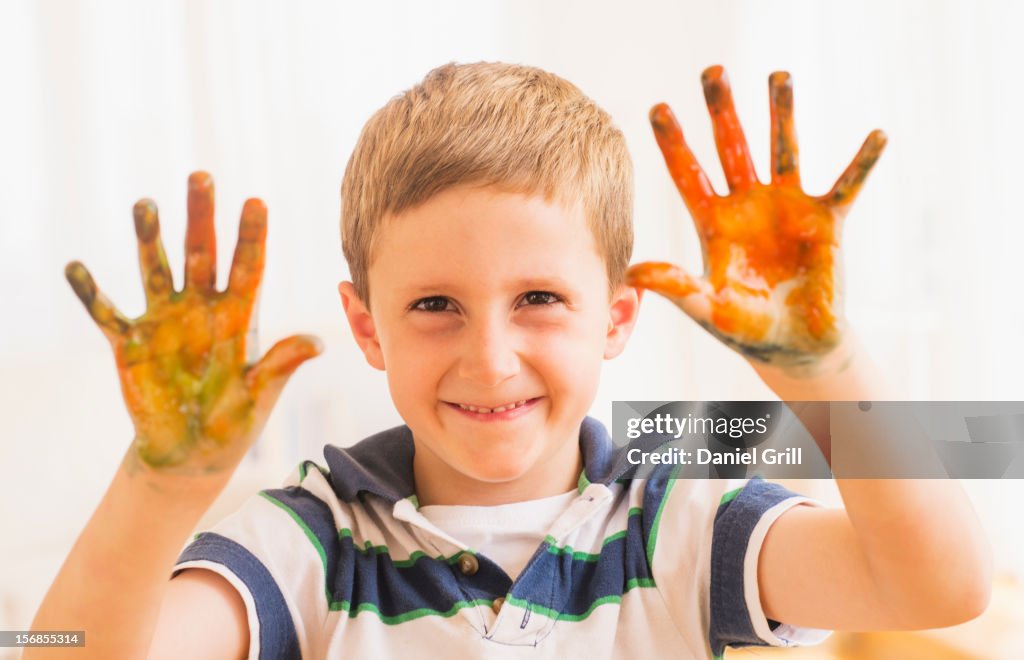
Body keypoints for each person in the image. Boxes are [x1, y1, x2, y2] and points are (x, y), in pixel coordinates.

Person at [30, 62, 991, 659]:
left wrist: (824, 370)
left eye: (538, 300)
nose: (491, 361)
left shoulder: (680, 524)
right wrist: (162, 484)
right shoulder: (305, 545)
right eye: (435, 307)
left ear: (615, 317)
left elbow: (937, 587)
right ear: (368, 328)